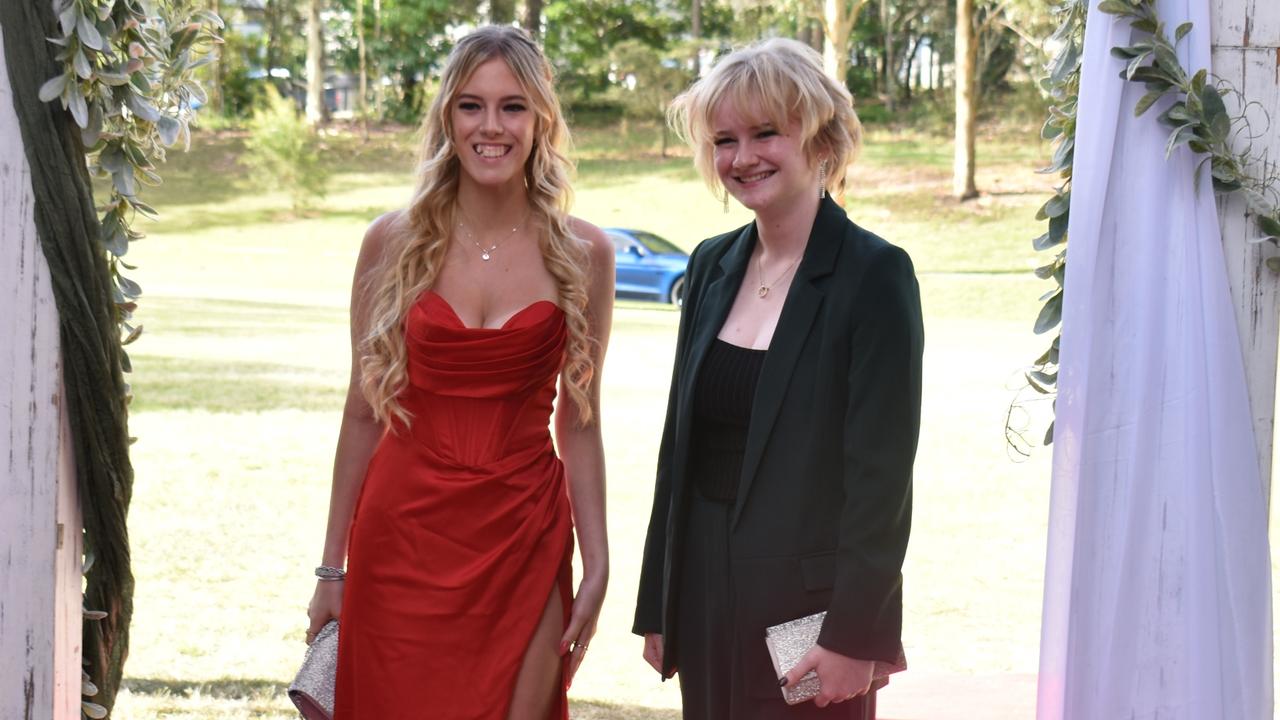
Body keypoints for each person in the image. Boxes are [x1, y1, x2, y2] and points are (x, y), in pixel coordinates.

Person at [306, 26, 613, 720]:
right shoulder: (391, 240)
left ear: (541, 121)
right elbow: (361, 410)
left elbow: (581, 421)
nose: (492, 126)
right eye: (472, 105)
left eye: (513, 107)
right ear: (448, 117)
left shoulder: (584, 251)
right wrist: (332, 569)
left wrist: (597, 563)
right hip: (400, 539)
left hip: (525, 537)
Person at [632, 38, 923, 720]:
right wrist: (660, 604)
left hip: (810, 620)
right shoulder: (708, 265)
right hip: (703, 598)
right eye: (724, 139)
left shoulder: (874, 276)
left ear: (820, 139)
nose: (742, 157)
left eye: (766, 133)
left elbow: (881, 482)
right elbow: (679, 449)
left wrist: (856, 635)